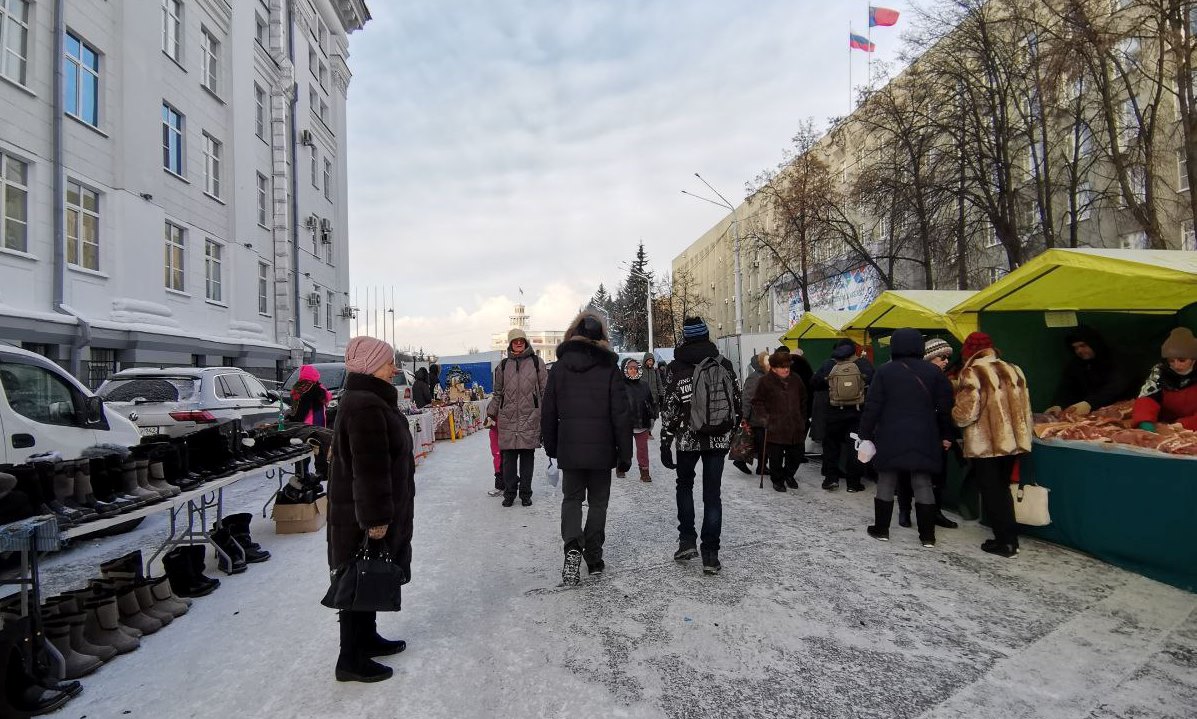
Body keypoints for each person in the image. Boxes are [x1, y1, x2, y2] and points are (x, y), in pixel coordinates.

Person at [327, 336, 415, 683]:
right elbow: (369, 468)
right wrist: (376, 519)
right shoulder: (366, 405)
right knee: (357, 573)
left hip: (363, 509)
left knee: (369, 570)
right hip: (363, 512)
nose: (393, 368)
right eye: (388, 362)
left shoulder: (369, 399)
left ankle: (367, 637)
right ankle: (349, 657)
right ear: (369, 365)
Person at [541, 311, 632, 585]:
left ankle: (572, 546)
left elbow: (548, 411)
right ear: (602, 337)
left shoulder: (558, 368)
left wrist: (552, 446)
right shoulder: (609, 369)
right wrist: (624, 453)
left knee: (571, 500)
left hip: (570, 447)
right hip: (602, 449)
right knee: (598, 502)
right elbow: (621, 414)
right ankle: (593, 556)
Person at [857, 329, 955, 547]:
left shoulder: (884, 372)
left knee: (887, 480)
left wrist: (865, 434)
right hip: (925, 435)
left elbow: (872, 407)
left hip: (890, 435)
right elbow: (946, 407)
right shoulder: (934, 373)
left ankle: (881, 529)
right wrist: (947, 434)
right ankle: (927, 536)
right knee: (922, 482)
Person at [659, 317, 741, 575]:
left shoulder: (675, 367)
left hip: (687, 439)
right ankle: (711, 555)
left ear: (685, 337)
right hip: (718, 438)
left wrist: (665, 439)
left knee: (684, 485)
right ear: (706, 335)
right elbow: (736, 402)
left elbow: (670, 407)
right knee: (712, 493)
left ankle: (686, 541)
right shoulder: (724, 364)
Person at [951, 332, 1033, 559]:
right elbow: (1025, 406)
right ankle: (1010, 539)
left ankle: (1005, 542)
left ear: (968, 351)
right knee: (1003, 488)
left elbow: (966, 413)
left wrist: (953, 413)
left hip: (985, 444)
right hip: (1013, 441)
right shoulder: (1014, 369)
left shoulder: (972, 372)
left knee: (991, 491)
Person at [895, 338, 959, 529]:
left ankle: (935, 512)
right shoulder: (908, 378)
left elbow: (946, 411)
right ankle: (904, 511)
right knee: (906, 474)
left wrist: (947, 435)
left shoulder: (944, 381)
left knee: (937, 478)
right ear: (929, 357)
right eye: (941, 357)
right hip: (911, 434)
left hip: (935, 436)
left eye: (947, 357)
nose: (946, 361)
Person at [486, 328, 548, 507]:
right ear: (510, 343)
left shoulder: (537, 363)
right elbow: (497, 393)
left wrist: (547, 414)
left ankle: (526, 493)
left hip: (530, 416)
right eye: (515, 341)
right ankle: (510, 493)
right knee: (508, 460)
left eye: (521, 340)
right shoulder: (503, 366)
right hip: (508, 418)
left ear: (526, 342)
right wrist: (491, 413)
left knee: (528, 458)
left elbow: (545, 392)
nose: (518, 343)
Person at [811, 339, 874, 492]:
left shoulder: (829, 364)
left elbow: (814, 383)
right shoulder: (862, 364)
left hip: (833, 414)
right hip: (856, 414)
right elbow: (874, 380)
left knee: (831, 446)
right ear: (854, 350)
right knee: (854, 448)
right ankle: (853, 483)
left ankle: (831, 479)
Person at [1046, 325, 1137, 416]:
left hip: (1122, 411)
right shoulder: (1076, 363)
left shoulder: (1117, 358)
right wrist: (1059, 405)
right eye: (1075, 348)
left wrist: (1089, 403)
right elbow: (1067, 387)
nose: (1079, 351)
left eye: (1083, 345)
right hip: (1093, 416)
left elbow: (1115, 386)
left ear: (1094, 343)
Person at [751, 350, 807, 492]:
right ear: (774, 367)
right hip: (775, 426)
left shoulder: (796, 379)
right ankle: (777, 480)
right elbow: (757, 402)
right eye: (782, 367)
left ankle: (788, 475)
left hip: (795, 425)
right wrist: (765, 418)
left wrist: (802, 417)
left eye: (788, 366)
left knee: (796, 454)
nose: (786, 369)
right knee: (775, 457)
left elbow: (803, 399)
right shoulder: (765, 381)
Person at [1131, 327, 1197, 431]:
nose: (1176, 365)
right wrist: (1145, 421)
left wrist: (1182, 425)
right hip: (1165, 424)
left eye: (1182, 360)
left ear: (1193, 360)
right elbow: (1148, 398)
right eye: (1171, 361)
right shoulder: (1160, 372)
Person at [620, 358, 657, 482]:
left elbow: (651, 403)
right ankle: (621, 467)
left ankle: (644, 472)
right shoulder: (619, 385)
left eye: (635, 368)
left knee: (642, 449)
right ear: (625, 369)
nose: (633, 371)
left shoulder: (644, 385)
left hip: (642, 422)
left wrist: (652, 416)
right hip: (625, 424)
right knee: (624, 448)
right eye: (630, 368)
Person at [735, 352, 769, 476]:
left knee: (756, 442)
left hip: (762, 416)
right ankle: (760, 466)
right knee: (759, 442)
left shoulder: (764, 376)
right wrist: (745, 416)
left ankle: (758, 465)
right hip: (757, 417)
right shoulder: (755, 378)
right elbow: (748, 398)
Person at [642, 353, 664, 437]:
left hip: (654, 398)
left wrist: (661, 394)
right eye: (649, 360)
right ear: (645, 361)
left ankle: (648, 430)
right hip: (644, 398)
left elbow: (659, 383)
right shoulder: (640, 370)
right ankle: (646, 432)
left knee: (654, 416)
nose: (650, 362)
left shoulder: (655, 371)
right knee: (646, 416)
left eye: (652, 361)